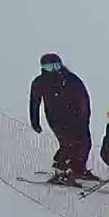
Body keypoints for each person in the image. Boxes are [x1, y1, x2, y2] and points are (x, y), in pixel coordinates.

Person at [30, 53, 97, 183]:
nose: (54, 69)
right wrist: (35, 122)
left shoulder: (70, 78)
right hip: (56, 119)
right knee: (68, 144)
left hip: (77, 117)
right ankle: (61, 170)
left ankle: (78, 169)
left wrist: (85, 116)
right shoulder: (40, 82)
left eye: (56, 65)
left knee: (85, 143)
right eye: (49, 67)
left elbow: (84, 98)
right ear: (43, 68)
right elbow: (34, 103)